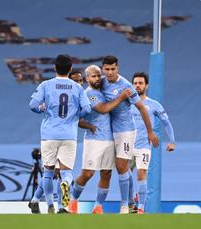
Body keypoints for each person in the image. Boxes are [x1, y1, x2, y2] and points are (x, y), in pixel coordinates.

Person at [29, 54, 91, 213]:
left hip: (49, 134)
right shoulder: (77, 87)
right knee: (66, 172)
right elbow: (87, 109)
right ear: (70, 69)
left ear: (55, 68)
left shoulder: (46, 85)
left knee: (48, 172)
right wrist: (75, 115)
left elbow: (33, 105)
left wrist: (42, 109)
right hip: (69, 134)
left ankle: (49, 204)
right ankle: (62, 205)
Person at [68, 65, 133, 214]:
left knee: (106, 173)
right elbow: (102, 109)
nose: (97, 78)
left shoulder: (105, 91)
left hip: (110, 139)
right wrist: (89, 125)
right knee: (88, 174)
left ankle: (98, 206)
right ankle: (73, 200)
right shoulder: (88, 94)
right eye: (93, 76)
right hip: (94, 140)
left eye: (98, 75)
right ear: (87, 79)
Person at [100, 55, 159, 213]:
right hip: (107, 131)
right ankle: (131, 203)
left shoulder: (126, 85)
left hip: (126, 131)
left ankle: (125, 205)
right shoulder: (100, 83)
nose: (110, 72)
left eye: (113, 69)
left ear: (117, 68)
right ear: (103, 69)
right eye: (107, 69)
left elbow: (141, 108)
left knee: (122, 167)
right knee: (107, 169)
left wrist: (150, 132)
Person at [129, 72, 176, 214]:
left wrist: (172, 141)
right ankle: (131, 202)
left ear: (146, 85)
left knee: (141, 174)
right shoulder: (126, 103)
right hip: (126, 145)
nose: (137, 85)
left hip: (144, 145)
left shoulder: (154, 105)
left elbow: (167, 123)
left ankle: (141, 209)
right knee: (125, 175)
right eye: (135, 83)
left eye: (140, 83)